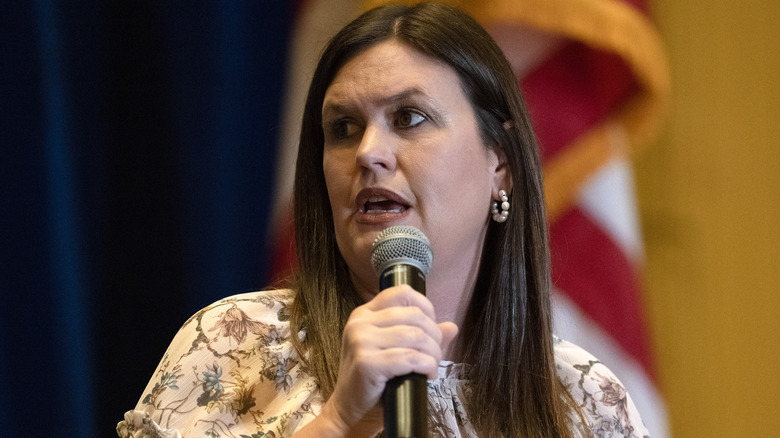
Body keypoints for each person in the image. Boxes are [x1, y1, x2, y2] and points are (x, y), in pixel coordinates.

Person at [117, 2, 649, 437]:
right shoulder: (234, 347)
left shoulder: (584, 402)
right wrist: (340, 423)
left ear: (501, 166)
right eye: (343, 128)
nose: (369, 152)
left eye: (409, 118)